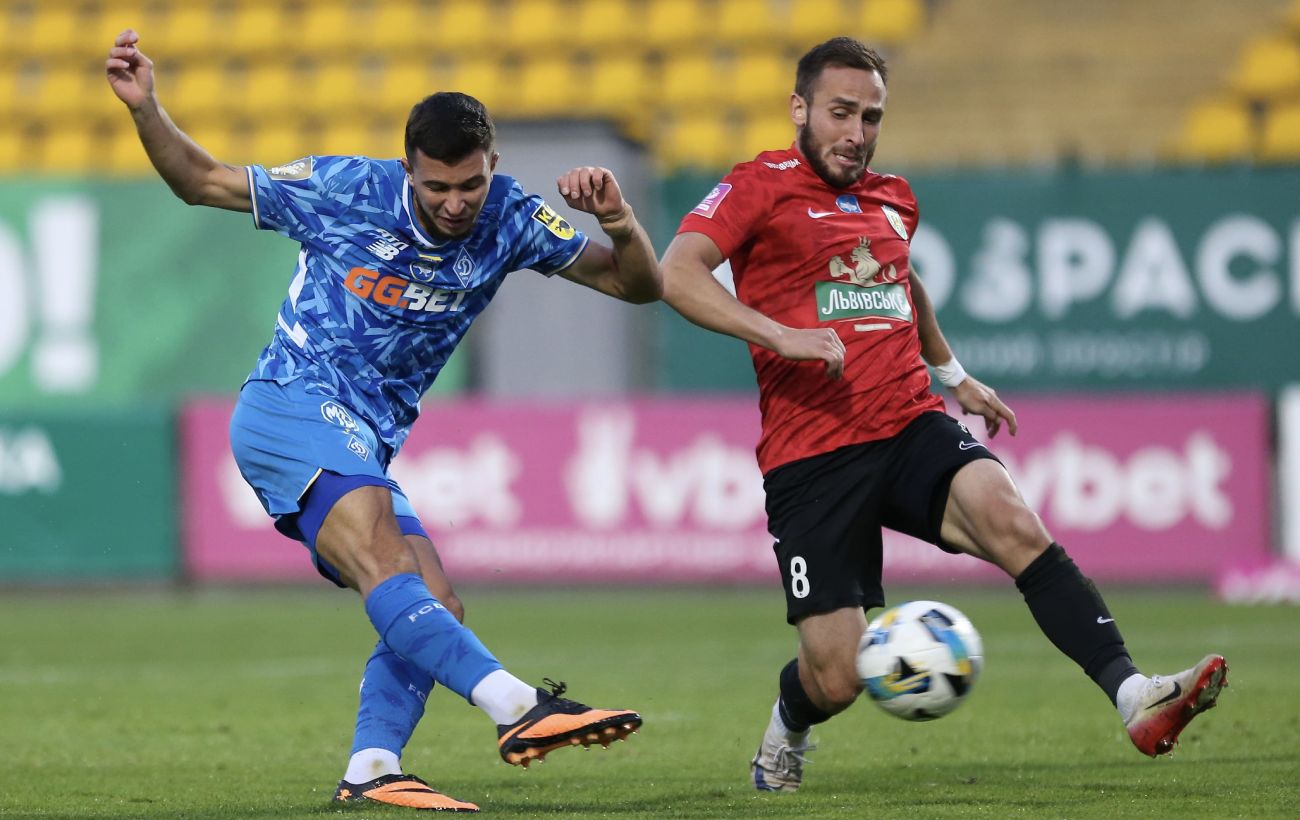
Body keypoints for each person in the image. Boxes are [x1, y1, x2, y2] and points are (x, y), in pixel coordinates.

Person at [107, 29, 659, 813]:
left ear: (493, 165)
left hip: (363, 438)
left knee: (436, 600)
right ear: (408, 170)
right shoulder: (346, 189)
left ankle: (371, 768)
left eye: (470, 184)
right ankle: (516, 704)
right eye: (437, 187)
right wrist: (146, 109)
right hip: (291, 403)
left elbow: (636, 287)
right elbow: (201, 181)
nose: (455, 203)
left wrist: (622, 223)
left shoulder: (511, 216)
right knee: (384, 558)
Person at [659, 36, 1228, 793]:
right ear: (800, 108)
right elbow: (677, 273)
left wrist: (953, 374)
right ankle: (788, 725)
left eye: (870, 117)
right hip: (812, 455)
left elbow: (903, 282)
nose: (856, 133)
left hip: (907, 422)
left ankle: (1134, 696)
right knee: (837, 677)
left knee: (1011, 520)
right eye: (840, 113)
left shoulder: (895, 198)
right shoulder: (758, 184)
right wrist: (779, 334)